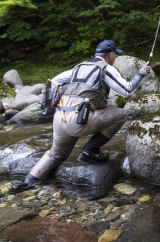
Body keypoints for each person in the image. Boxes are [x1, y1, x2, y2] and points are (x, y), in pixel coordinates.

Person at [11, 39, 150, 192]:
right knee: (121, 114)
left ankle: (27, 182)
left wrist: (54, 102)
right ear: (110, 55)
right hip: (78, 120)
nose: (115, 58)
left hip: (60, 117)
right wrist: (142, 73)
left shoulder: (79, 67)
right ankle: (89, 151)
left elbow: (54, 81)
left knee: (55, 154)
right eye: (115, 55)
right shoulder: (105, 68)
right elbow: (127, 90)